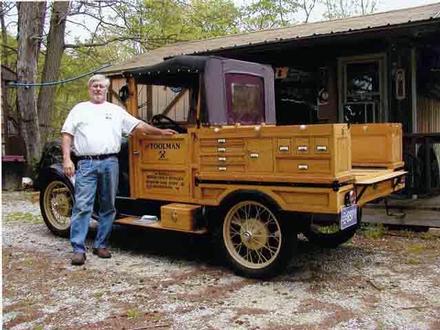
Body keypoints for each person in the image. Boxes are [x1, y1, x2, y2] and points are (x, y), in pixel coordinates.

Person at [61, 74, 176, 266]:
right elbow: (66, 134)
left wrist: (160, 132)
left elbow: (137, 126)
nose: (98, 89)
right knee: (82, 206)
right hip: (86, 162)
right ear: (89, 89)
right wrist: (66, 159)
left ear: (106, 90)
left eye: (102, 87)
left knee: (108, 206)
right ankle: (78, 249)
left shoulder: (115, 111)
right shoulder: (79, 110)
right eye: (95, 86)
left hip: (110, 163)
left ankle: (101, 244)